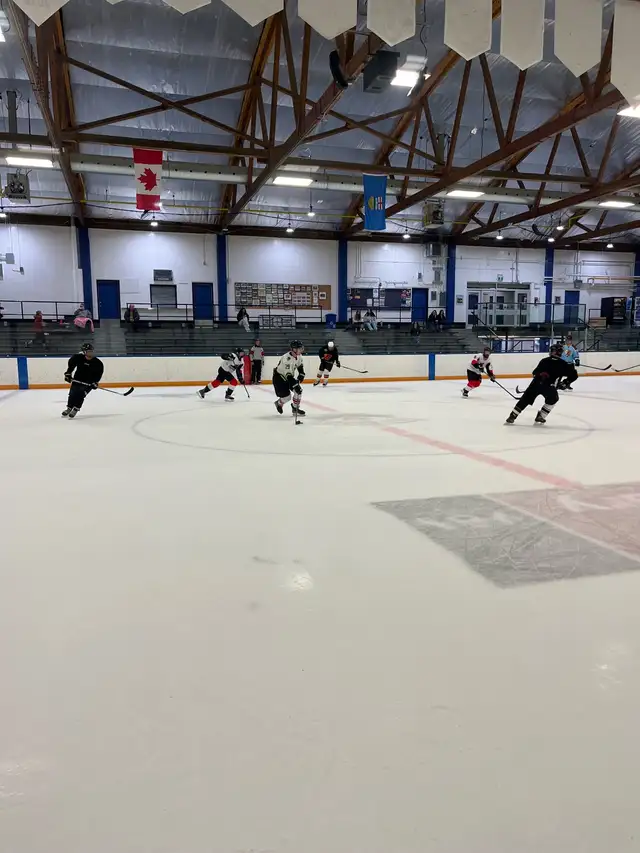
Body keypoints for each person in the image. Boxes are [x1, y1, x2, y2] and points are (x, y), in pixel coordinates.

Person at [505, 344, 573, 426]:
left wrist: (565, 381)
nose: (554, 352)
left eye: (556, 351)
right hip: (538, 384)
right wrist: (541, 374)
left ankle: (539, 416)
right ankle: (514, 416)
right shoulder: (552, 362)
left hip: (545, 385)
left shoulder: (560, 363)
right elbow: (535, 372)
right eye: (554, 350)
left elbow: (572, 374)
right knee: (526, 399)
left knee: (552, 399)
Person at [62, 342, 104, 419]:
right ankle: (69, 408)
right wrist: (68, 374)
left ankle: (75, 409)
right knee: (72, 394)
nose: (90, 353)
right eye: (88, 351)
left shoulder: (98, 363)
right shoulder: (77, 358)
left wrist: (95, 382)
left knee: (80, 395)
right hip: (77, 379)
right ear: (84, 352)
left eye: (91, 351)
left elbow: (99, 374)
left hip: (88, 383)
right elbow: (71, 366)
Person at [273, 340, 305, 418]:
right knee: (287, 397)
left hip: (288, 377)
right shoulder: (286, 359)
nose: (301, 350)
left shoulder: (299, 356)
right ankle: (279, 403)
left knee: (299, 392)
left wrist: (301, 373)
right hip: (279, 378)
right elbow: (288, 376)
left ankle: (295, 408)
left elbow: (300, 366)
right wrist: (295, 384)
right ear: (294, 349)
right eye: (299, 348)